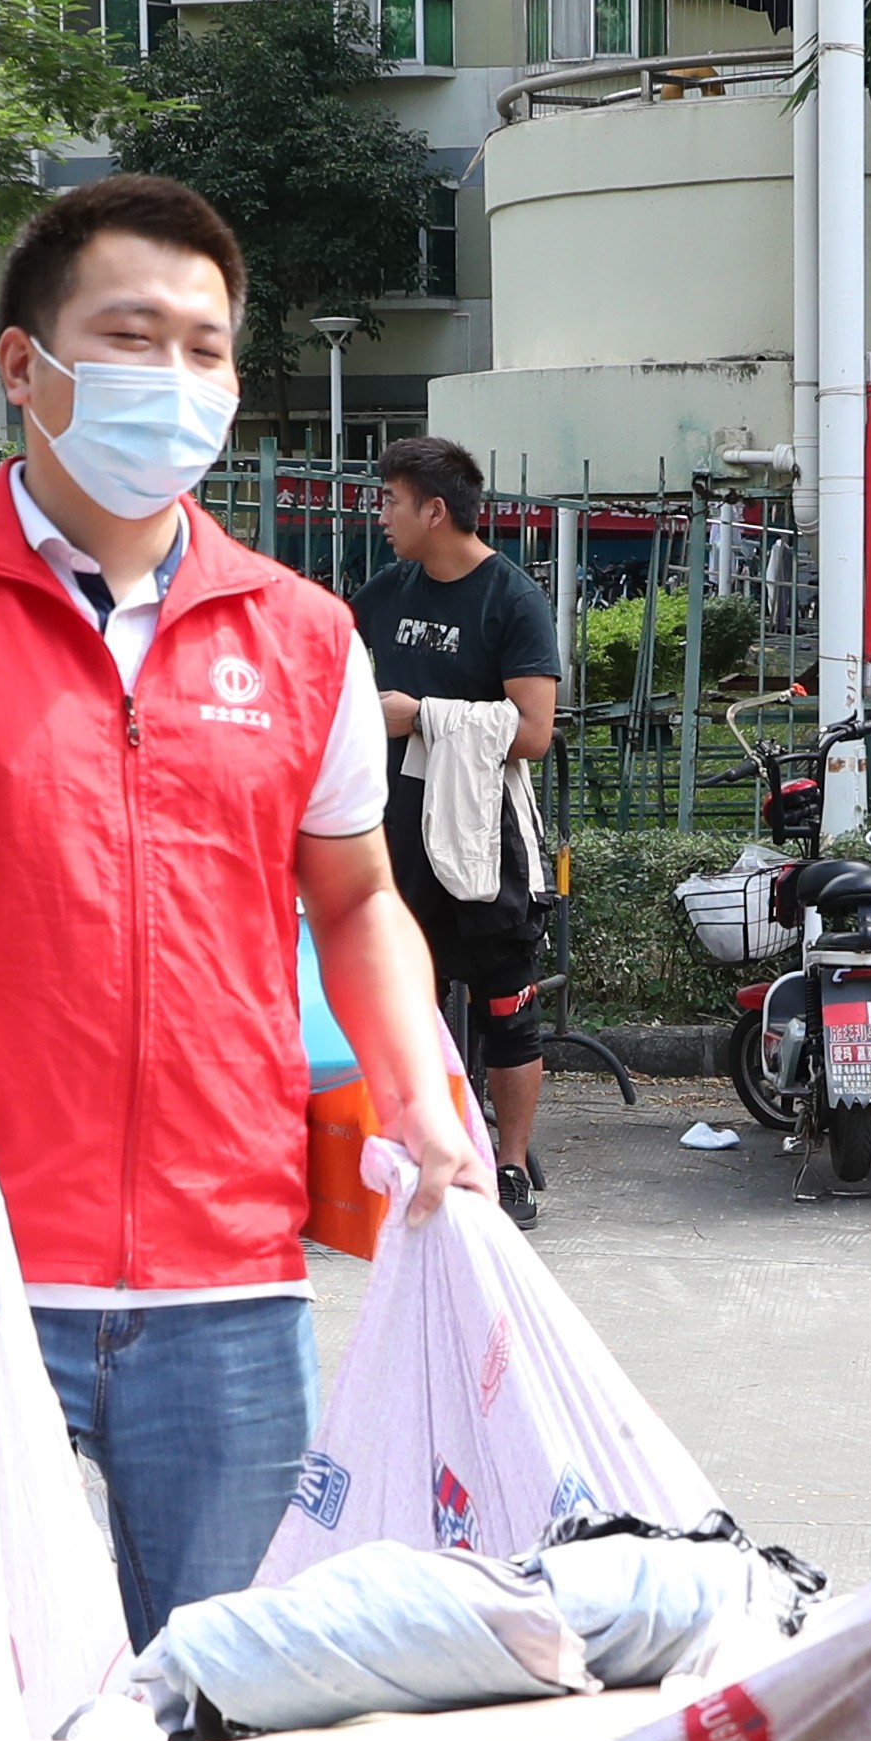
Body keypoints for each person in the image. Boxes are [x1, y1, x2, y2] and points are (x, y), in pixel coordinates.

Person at [0, 172, 476, 1655]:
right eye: (130, 337)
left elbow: (359, 895)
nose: (173, 379)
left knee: (229, 1720)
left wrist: (416, 1088)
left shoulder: (303, 637)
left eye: (204, 348)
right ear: (24, 367)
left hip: (228, 1282)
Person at [350, 434, 566, 1225]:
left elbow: (534, 731)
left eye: (390, 501)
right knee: (411, 999)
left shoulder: (510, 599)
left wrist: (424, 719)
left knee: (509, 1004)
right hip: (397, 829)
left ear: (433, 510)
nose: (381, 515)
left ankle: (508, 1167)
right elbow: (324, 654)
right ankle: (422, 1149)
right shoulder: (389, 590)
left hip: (485, 828)